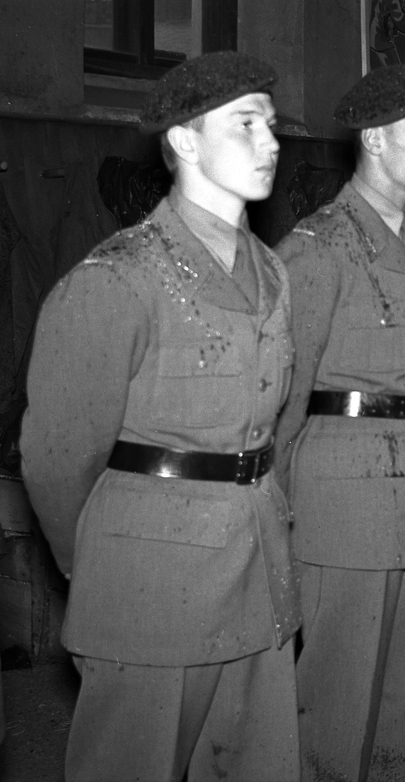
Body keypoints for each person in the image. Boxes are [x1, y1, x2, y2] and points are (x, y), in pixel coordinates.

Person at [21, 52, 301, 780]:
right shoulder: (118, 276)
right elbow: (56, 461)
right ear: (184, 141)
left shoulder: (272, 273)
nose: (270, 143)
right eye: (246, 125)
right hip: (150, 586)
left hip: (258, 574)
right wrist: (100, 565)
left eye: (272, 126)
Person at [271, 64, 405, 782]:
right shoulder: (319, 246)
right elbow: (282, 402)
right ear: (374, 139)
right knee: (338, 694)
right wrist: (275, 517)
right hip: (345, 503)